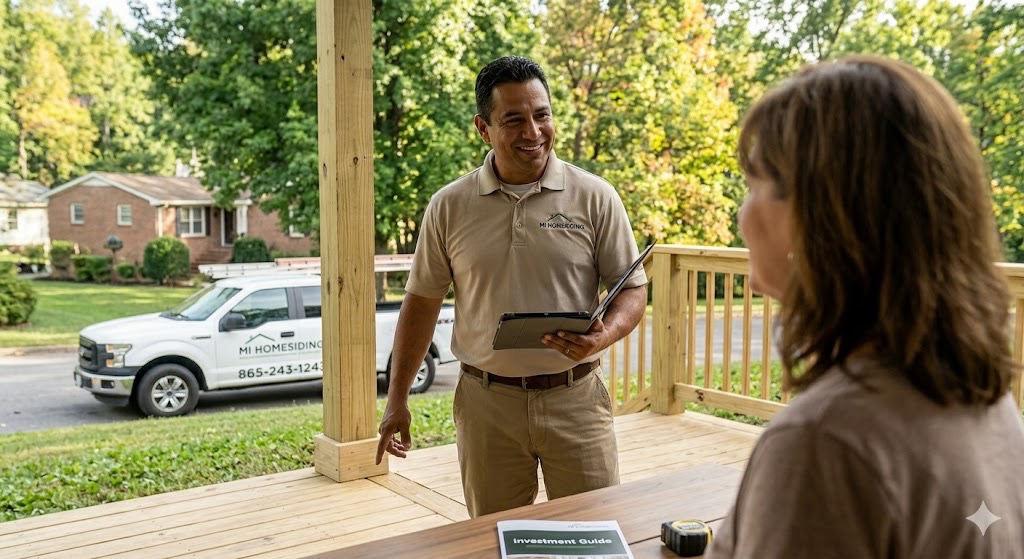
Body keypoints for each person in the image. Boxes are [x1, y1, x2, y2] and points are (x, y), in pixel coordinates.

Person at [705, 55, 1024, 558]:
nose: (741, 216)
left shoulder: (824, 442)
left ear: (818, 216)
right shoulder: (984, 397)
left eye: (753, 185)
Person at [374, 55, 648, 517]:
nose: (533, 131)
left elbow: (633, 289)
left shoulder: (596, 196)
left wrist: (605, 334)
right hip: (487, 406)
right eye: (514, 120)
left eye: (541, 115)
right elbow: (420, 303)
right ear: (483, 128)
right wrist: (396, 401)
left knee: (594, 533)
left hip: (577, 398)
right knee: (491, 538)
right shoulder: (449, 206)